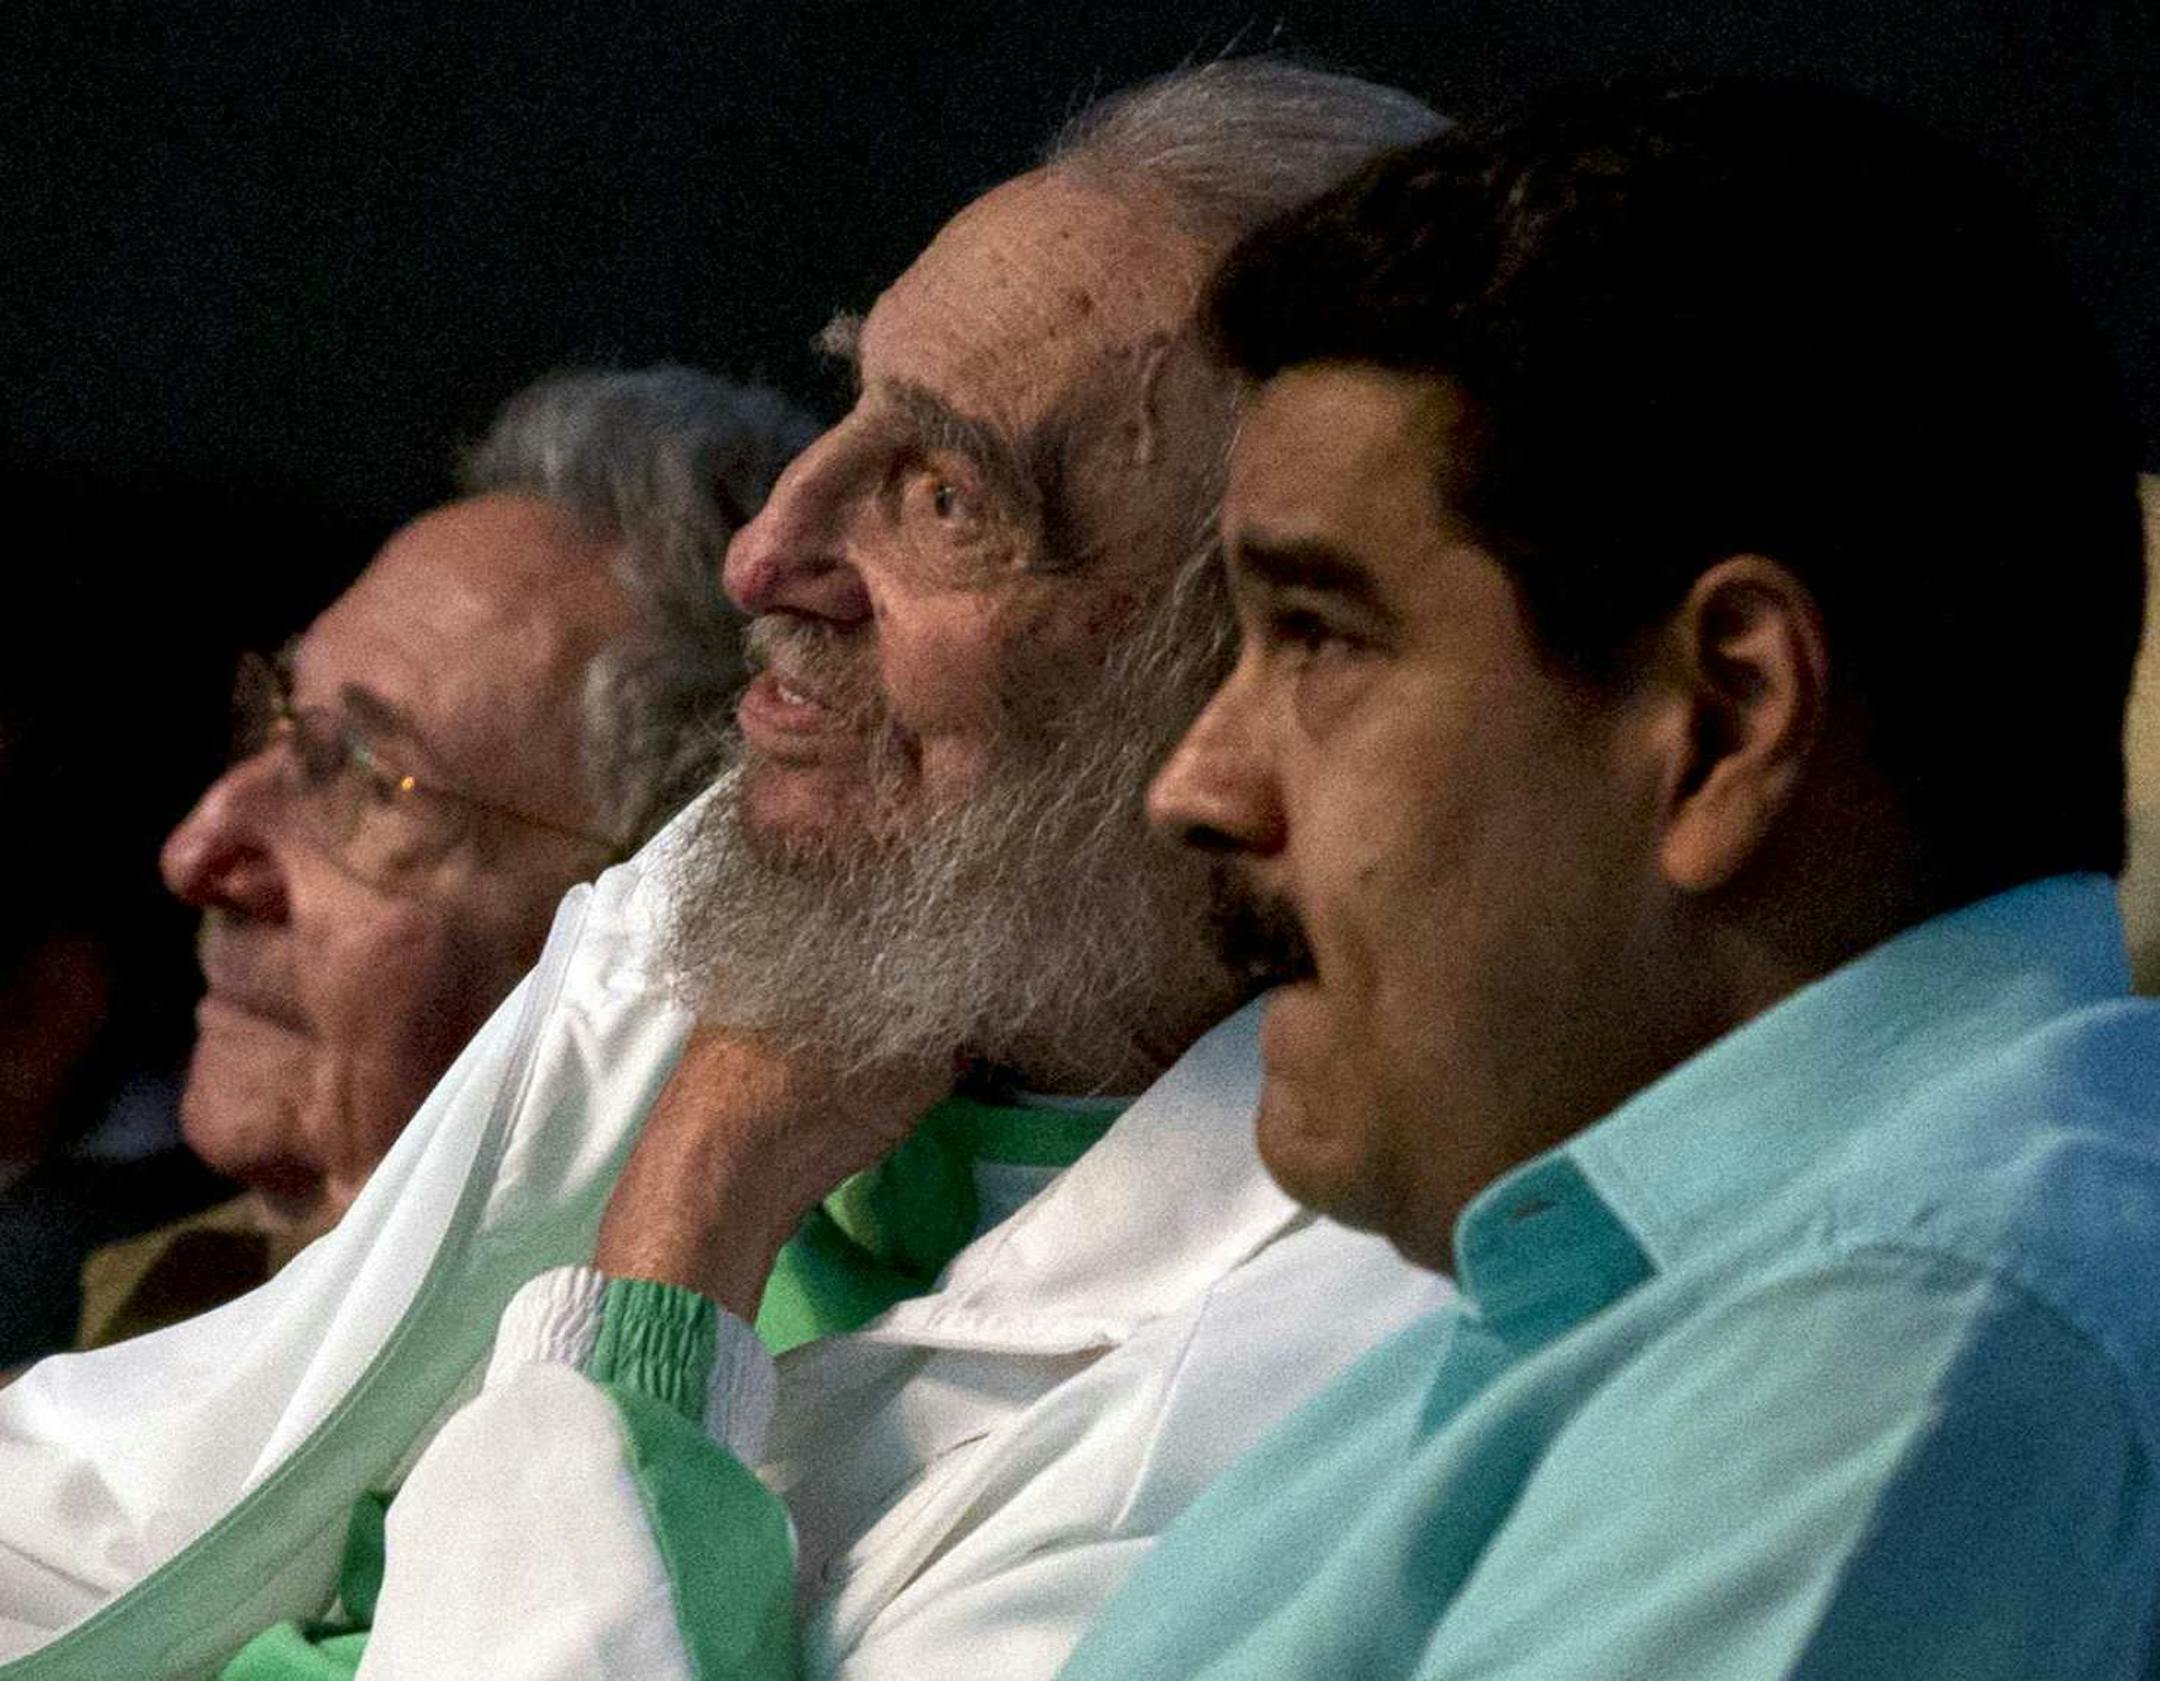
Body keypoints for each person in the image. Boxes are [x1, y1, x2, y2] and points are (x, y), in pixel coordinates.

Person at [0, 63, 1448, 1681]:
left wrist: (686, 1217)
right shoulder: (758, 894)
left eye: (946, 494)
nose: (771, 551)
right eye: (850, 410)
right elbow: (133, 1496)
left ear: (1246, 670)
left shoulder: (1321, 1367)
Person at [1050, 77, 2160, 1678]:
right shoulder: (1550, 1327)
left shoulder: (1912, 1339)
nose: (1194, 786)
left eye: (1322, 636)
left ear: (1723, 723)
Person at [64, 367, 817, 1351]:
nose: (196, 854)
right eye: (276, 724)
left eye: (366, 780)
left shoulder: (676, 1421)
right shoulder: (80, 1313)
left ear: (662, 934)